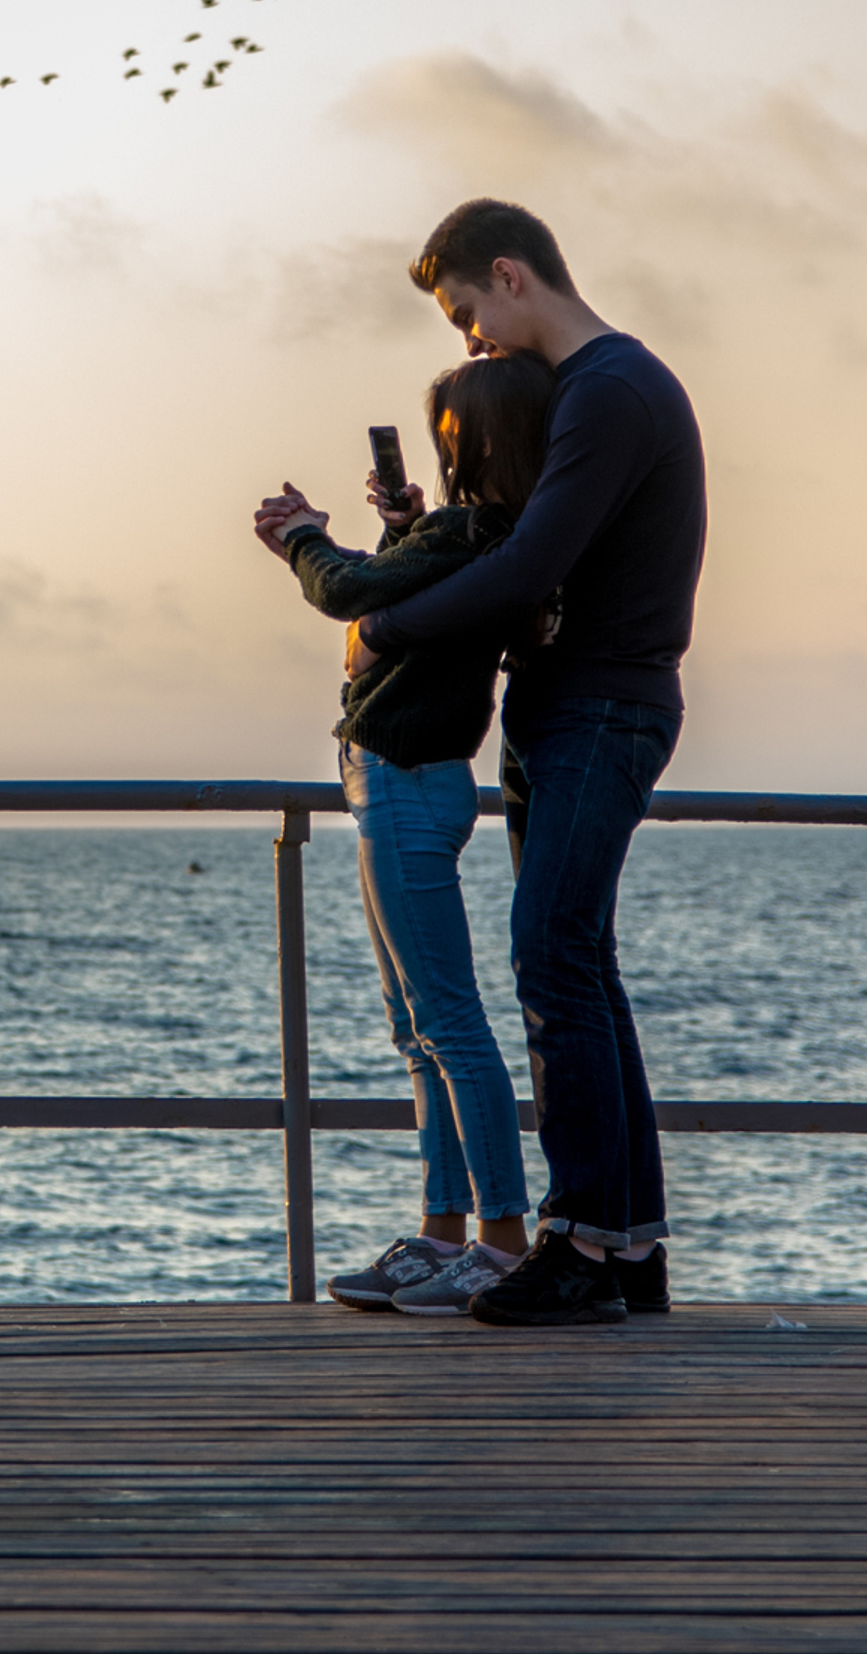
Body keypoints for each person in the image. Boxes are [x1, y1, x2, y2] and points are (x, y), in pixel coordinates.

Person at [345, 198, 705, 1330]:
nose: (471, 345)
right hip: (566, 708)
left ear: (508, 274)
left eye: (465, 316)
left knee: (551, 958)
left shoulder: (607, 390)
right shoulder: (601, 391)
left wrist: (386, 625)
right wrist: (419, 525)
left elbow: (526, 567)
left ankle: (577, 1246)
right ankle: (626, 1248)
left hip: (600, 707)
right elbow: (516, 543)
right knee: (579, 964)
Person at [254, 352, 553, 1316]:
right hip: (400, 783)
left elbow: (348, 595)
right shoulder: (481, 534)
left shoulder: (473, 531)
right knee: (418, 1029)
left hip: (407, 787)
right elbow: (404, 589)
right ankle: (441, 1233)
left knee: (448, 1025)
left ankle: (500, 1241)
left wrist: (304, 538)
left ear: (473, 441)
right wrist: (401, 526)